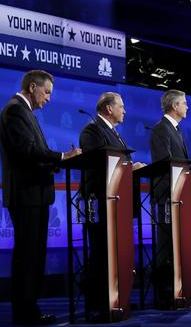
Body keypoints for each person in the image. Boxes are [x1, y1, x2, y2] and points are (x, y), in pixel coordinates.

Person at [0, 69, 81, 324]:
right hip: (26, 195)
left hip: (35, 195)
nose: (48, 99)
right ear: (33, 87)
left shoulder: (26, 112)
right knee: (28, 256)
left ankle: (29, 310)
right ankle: (24, 313)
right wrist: (62, 157)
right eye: (47, 92)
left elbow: (36, 153)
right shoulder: (15, 110)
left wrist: (57, 162)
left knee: (34, 256)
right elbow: (27, 150)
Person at [79, 92, 145, 318]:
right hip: (101, 204)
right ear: (109, 109)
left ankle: (118, 298)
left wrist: (129, 167)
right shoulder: (92, 130)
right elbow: (97, 164)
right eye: (121, 106)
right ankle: (99, 304)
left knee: (116, 253)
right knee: (101, 253)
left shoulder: (115, 133)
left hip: (119, 203)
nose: (125, 111)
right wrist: (128, 168)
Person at [148, 89, 191, 307]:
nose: (187, 106)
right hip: (166, 196)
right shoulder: (161, 129)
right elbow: (166, 162)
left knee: (177, 244)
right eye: (184, 103)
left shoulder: (176, 130)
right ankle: (164, 293)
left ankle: (178, 288)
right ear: (174, 106)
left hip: (179, 194)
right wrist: (189, 172)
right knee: (166, 246)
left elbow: (180, 161)